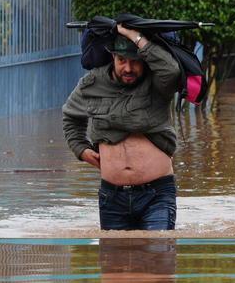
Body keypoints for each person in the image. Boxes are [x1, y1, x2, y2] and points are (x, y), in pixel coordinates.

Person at [62, 23, 181, 230]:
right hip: (112, 197)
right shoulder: (91, 84)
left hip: (157, 195)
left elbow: (172, 71)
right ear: (112, 57)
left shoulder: (159, 83)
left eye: (135, 62)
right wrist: (82, 150)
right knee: (114, 261)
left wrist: (134, 36)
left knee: (157, 258)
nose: (128, 68)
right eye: (121, 60)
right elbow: (71, 117)